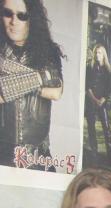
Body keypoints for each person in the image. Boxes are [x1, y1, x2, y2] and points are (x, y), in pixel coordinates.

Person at [0, 0, 64, 169]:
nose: (13, 21)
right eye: (7, 13)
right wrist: (42, 77)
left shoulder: (48, 51)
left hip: (38, 157)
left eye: (22, 15)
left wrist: (9, 85)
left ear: (32, 18)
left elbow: (57, 91)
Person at [84, 44, 111, 164]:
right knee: (91, 128)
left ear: (103, 55)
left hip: (103, 103)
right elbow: (87, 86)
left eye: (100, 53)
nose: (97, 55)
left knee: (106, 128)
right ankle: (94, 154)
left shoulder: (108, 71)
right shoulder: (89, 68)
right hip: (91, 101)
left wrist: (103, 99)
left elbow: (109, 88)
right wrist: (94, 99)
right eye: (96, 52)